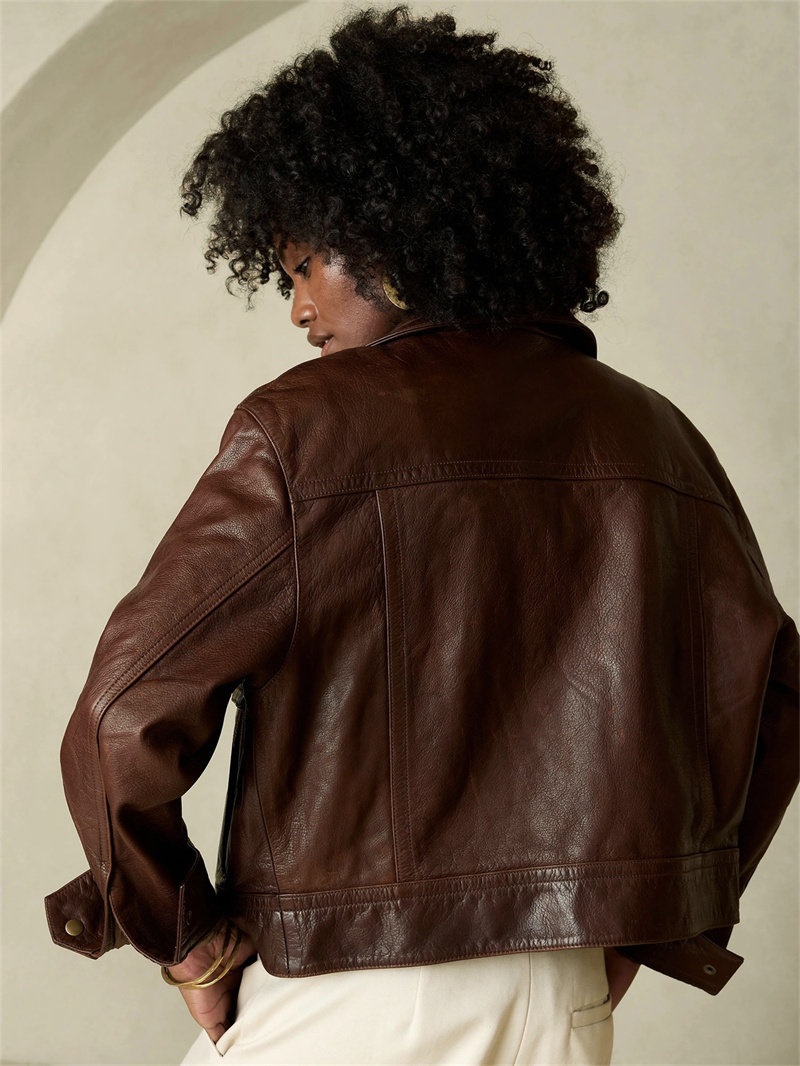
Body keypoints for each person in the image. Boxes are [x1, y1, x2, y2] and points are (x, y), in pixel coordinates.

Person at [45, 6, 798, 1065]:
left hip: (354, 991)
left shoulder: (303, 432)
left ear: (391, 236)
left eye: (306, 263)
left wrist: (191, 943)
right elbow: (768, 705)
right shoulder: (654, 438)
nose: (297, 308)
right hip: (562, 1000)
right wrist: (645, 916)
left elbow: (120, 716)